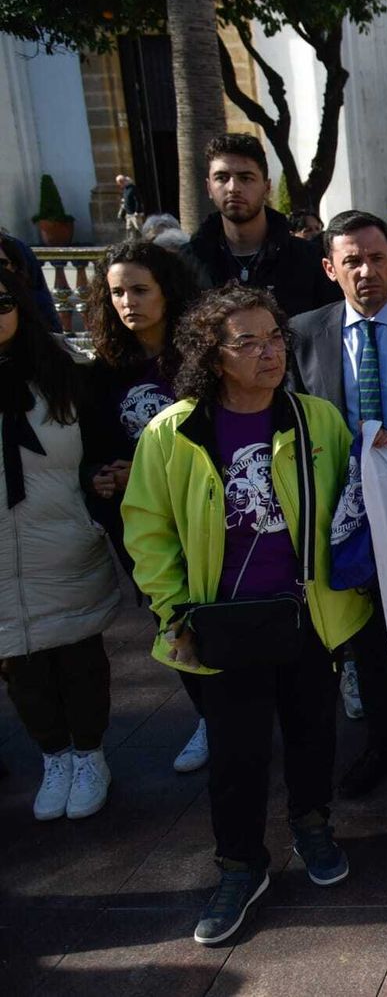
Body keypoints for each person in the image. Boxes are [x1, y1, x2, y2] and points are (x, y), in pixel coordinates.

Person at [122, 286, 375, 944]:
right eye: (249, 342)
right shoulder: (173, 432)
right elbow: (147, 528)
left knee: (313, 733)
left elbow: (359, 494)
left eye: (275, 337)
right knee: (235, 755)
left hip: (309, 617)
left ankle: (313, 827)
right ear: (213, 354)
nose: (269, 352)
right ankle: (240, 866)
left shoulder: (315, 418)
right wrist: (173, 609)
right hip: (220, 625)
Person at [288, 210, 387, 797]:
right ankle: (384, 742)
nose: (367, 271)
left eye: (378, 257)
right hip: (346, 513)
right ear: (330, 268)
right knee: (370, 636)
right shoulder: (303, 334)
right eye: (352, 260)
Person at [82, 240, 208, 774]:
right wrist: (104, 475)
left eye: (139, 289)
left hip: (200, 516)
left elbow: (216, 440)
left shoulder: (200, 358)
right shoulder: (101, 372)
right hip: (142, 527)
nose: (128, 302)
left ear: (166, 290)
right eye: (116, 292)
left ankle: (234, 709)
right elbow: (93, 447)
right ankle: (207, 715)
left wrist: (148, 472)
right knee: (171, 617)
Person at [0, 267, 121, 822]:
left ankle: (89, 754)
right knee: (21, 666)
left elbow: (98, 447)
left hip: (62, 540)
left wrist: (94, 498)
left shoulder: (61, 374)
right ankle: (54, 756)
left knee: (77, 656)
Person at [183, 134, 340, 318]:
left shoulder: (308, 259)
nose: (233, 188)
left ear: (267, 188)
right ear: (209, 188)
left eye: (246, 178)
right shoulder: (188, 263)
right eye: (222, 178)